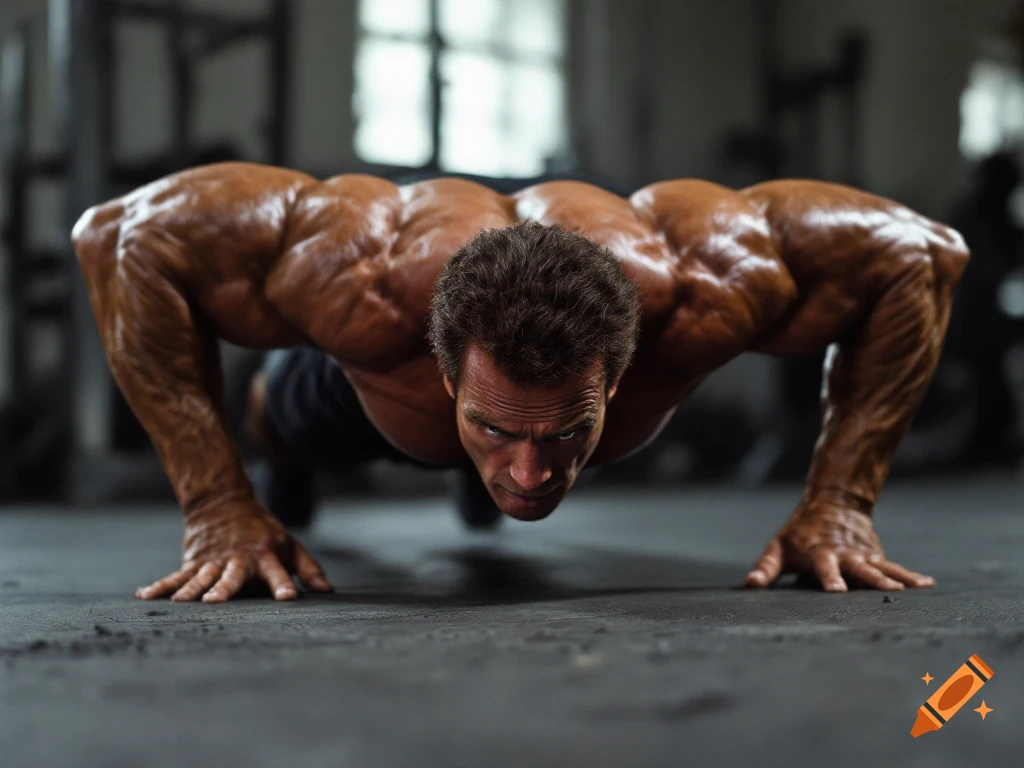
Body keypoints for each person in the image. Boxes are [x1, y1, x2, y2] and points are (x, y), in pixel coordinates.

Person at [71, 162, 969, 603]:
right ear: (444, 363)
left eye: (568, 433)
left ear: (622, 377)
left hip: (479, 380)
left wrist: (841, 500)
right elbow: (114, 236)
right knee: (287, 416)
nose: (535, 477)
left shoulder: (708, 284)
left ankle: (480, 456)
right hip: (368, 390)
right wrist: (217, 506)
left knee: (507, 454)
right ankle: (296, 464)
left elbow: (925, 253)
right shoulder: (359, 281)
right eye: (497, 427)